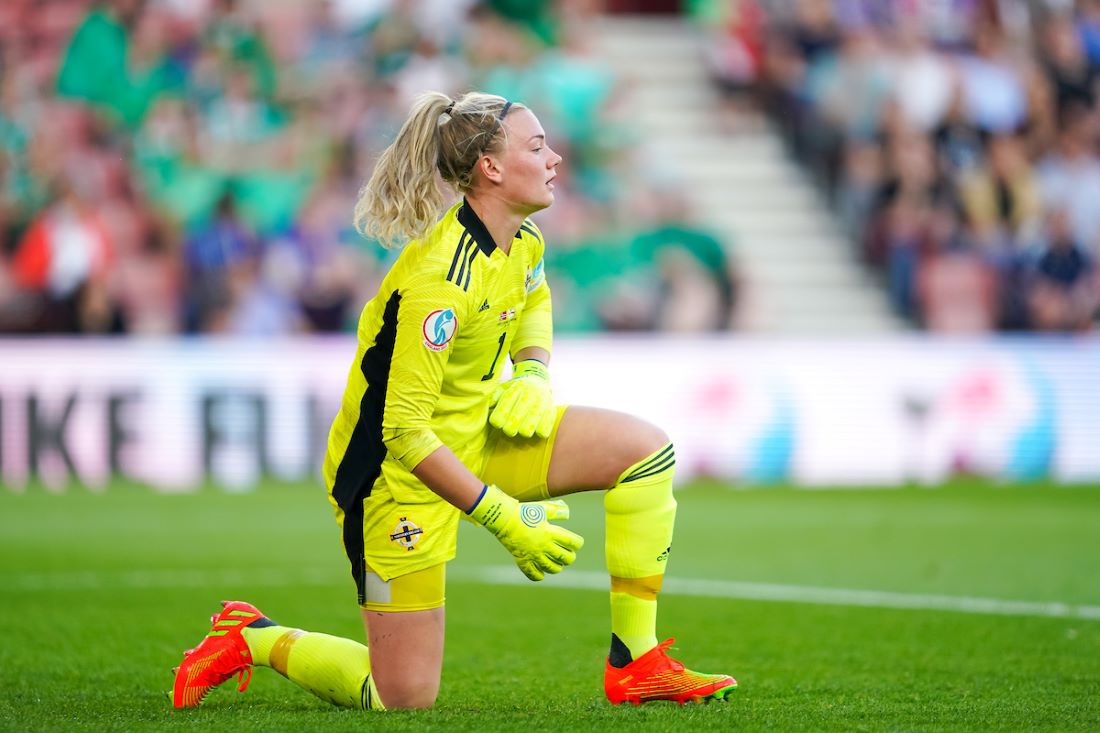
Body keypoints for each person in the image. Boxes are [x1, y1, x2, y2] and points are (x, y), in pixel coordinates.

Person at [170, 91, 738, 710]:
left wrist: (532, 374)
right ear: (491, 168)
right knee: (402, 698)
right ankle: (252, 638)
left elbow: (535, 300)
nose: (554, 160)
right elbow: (404, 434)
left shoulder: (523, 239)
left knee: (645, 453)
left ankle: (637, 662)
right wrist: (501, 516)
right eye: (538, 146)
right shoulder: (439, 283)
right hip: (394, 480)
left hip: (476, 437)